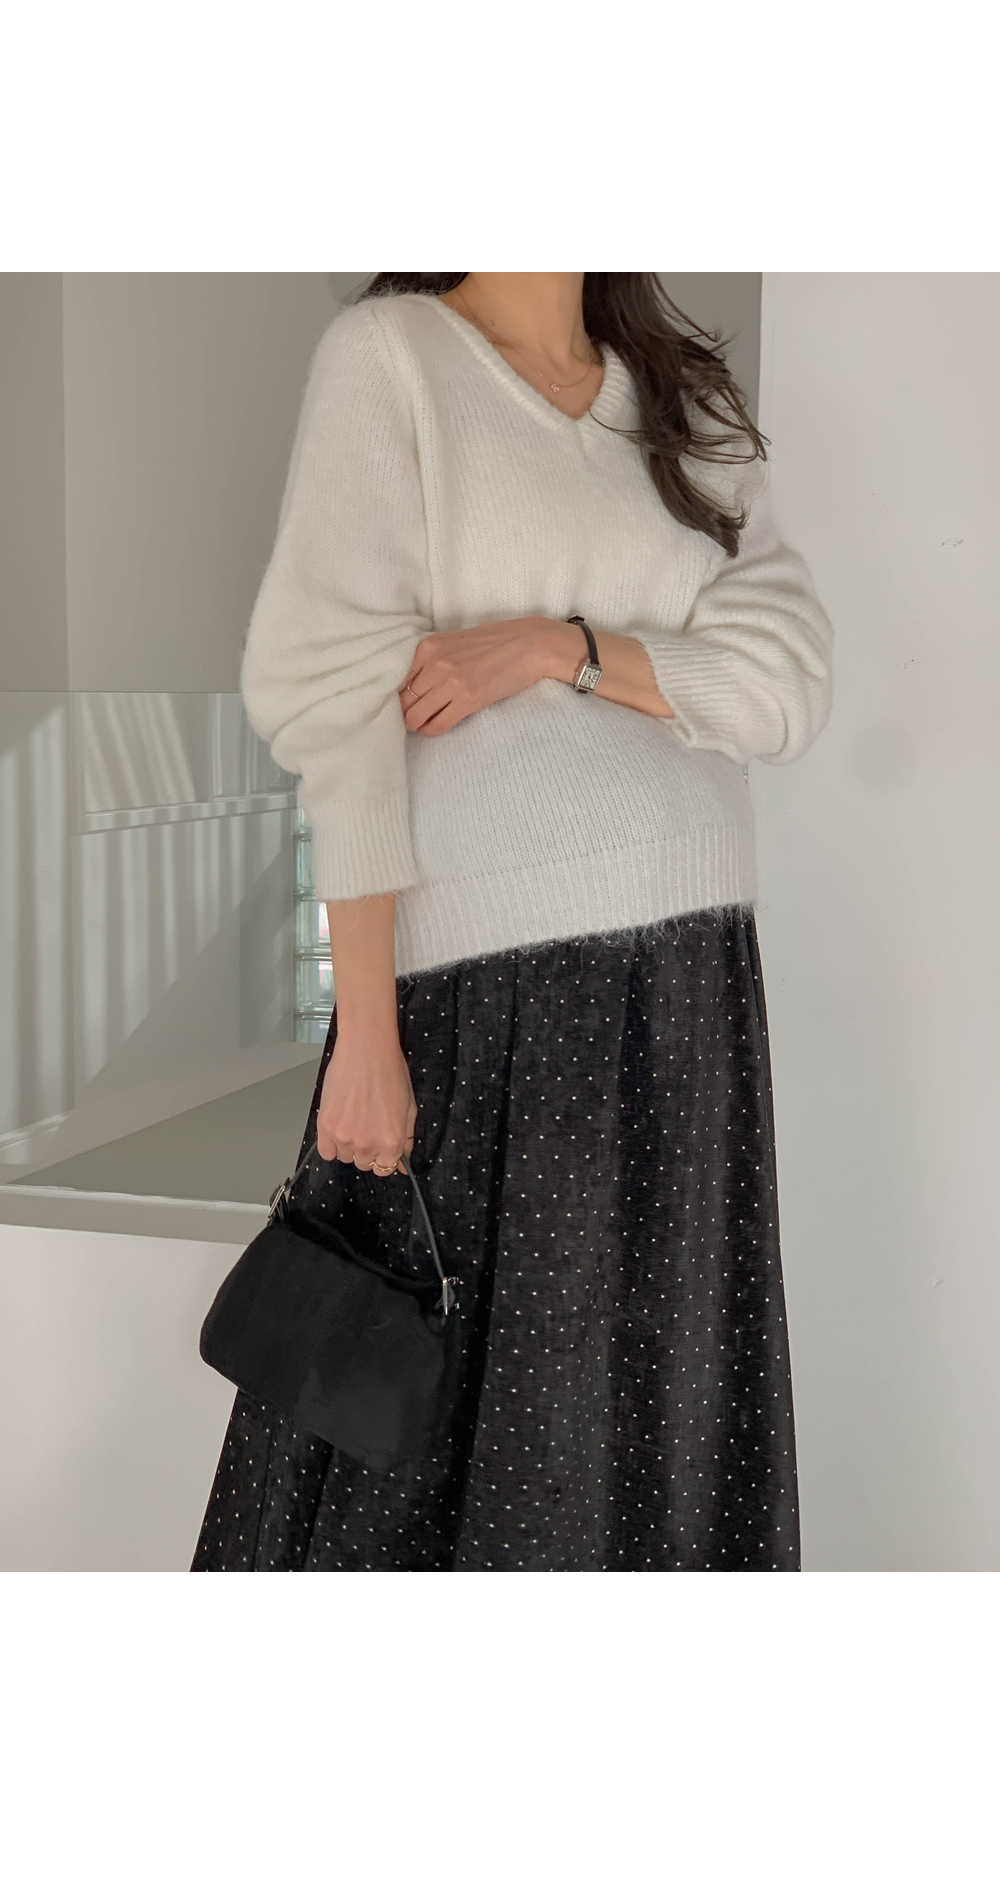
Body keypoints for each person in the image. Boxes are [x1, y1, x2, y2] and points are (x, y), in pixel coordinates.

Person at [191, 271, 833, 1573]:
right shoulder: (392, 360)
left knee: (657, 1406)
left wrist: (560, 647)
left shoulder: (688, 401)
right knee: (440, 1435)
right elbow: (338, 703)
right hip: (491, 997)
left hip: (693, 985)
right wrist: (364, 1031)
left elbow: (786, 683)